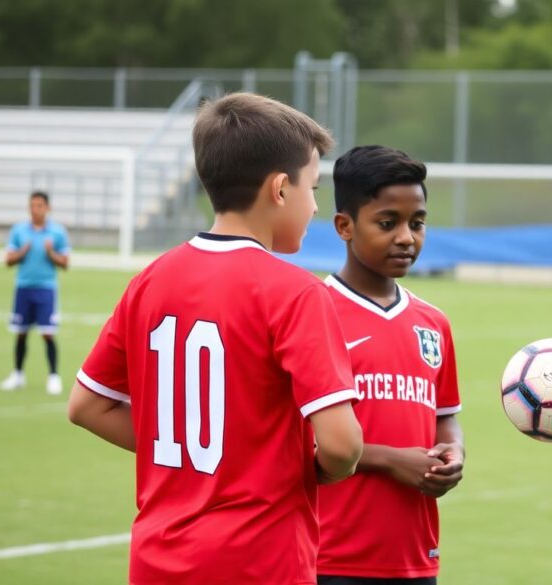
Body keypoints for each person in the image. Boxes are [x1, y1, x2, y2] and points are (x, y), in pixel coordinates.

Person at [66, 93, 364, 584]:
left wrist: (190, 454)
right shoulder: (296, 292)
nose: (315, 206)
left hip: (157, 562)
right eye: (313, 186)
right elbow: (341, 444)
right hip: (259, 562)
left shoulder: (150, 280)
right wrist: (318, 468)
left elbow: (86, 406)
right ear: (280, 189)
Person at [316, 145, 464, 585]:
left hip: (414, 556)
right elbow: (289, 436)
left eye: (417, 224)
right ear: (345, 225)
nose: (406, 237)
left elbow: (446, 417)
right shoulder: (312, 314)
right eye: (388, 223)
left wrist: (453, 453)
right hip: (328, 555)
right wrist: (388, 460)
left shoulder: (433, 323)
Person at [1, 190, 70, 394]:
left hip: (46, 289)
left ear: (47, 208)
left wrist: (50, 253)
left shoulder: (57, 232)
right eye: (32, 205)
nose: (35, 210)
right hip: (23, 287)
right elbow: (8, 260)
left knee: (47, 333)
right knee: (21, 333)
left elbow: (65, 263)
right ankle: (18, 374)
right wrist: (22, 252)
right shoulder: (19, 230)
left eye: (39, 206)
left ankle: (53, 376)